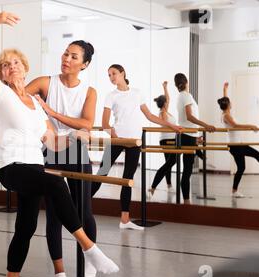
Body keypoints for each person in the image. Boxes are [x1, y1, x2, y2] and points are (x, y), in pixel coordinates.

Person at [0, 12, 119, 277]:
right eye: (5, 65)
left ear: (25, 68)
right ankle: (90, 249)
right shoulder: (1, 94)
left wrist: (75, 135)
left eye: (16, 62)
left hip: (32, 165)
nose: (11, 67)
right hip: (9, 165)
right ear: (0, 74)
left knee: (25, 228)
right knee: (56, 184)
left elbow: (51, 141)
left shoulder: (35, 104)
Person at [26, 39, 97, 277]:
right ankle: (60, 273)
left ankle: (91, 258)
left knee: (83, 210)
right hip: (51, 150)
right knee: (55, 214)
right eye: (66, 54)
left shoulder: (89, 92)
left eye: (74, 57)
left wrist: (53, 113)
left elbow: (87, 124)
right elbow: (17, 99)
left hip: (77, 151)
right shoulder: (46, 82)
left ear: (84, 64)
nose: (67, 59)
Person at [91, 65, 182, 230]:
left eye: (114, 74)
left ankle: (125, 219)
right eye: (109, 75)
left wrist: (171, 126)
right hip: (117, 140)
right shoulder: (110, 96)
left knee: (128, 179)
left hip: (134, 141)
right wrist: (117, 139)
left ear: (122, 73)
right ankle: (78, 206)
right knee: (101, 174)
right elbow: (105, 124)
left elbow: (150, 116)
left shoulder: (137, 93)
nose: (111, 77)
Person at [149, 82, 204, 196]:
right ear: (164, 103)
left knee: (170, 162)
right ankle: (159, 186)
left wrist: (164, 88)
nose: (168, 102)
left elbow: (167, 98)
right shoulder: (163, 113)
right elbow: (165, 124)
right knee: (169, 163)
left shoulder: (166, 111)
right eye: (167, 101)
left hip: (173, 138)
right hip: (166, 139)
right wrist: (176, 128)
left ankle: (161, 186)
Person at [219, 82, 259, 198]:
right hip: (235, 146)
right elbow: (236, 126)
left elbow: (225, 101)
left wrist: (225, 89)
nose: (231, 103)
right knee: (243, 166)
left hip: (238, 144)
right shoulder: (226, 116)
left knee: (255, 156)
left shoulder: (226, 112)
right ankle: (234, 191)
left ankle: (234, 191)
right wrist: (251, 126)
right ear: (227, 105)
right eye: (230, 102)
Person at [174, 73, 216, 204]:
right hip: (187, 135)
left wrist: (196, 137)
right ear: (186, 82)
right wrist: (206, 125)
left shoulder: (182, 96)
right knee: (187, 170)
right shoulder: (185, 96)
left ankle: (186, 200)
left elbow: (187, 121)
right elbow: (189, 117)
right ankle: (186, 201)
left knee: (185, 169)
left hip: (188, 135)